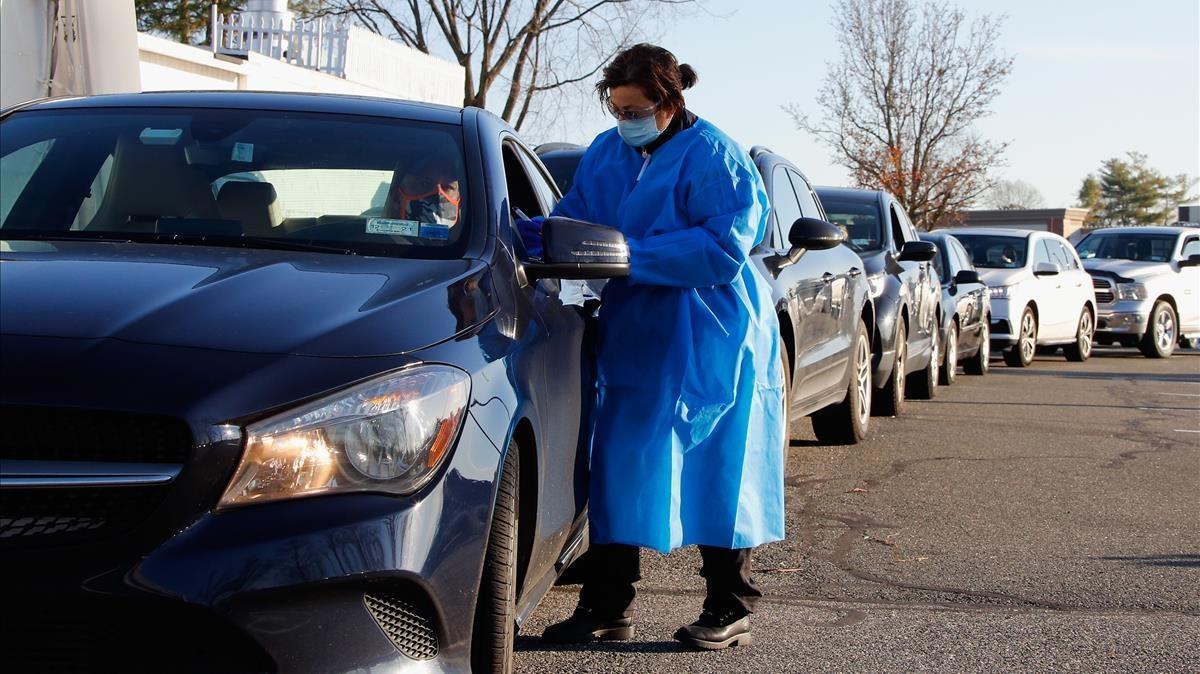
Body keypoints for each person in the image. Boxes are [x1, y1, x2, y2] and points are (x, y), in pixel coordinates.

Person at [520, 44, 785, 650]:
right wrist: (530, 235)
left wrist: (627, 256)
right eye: (617, 108)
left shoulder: (716, 156)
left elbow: (723, 247)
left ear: (669, 102)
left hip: (713, 326)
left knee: (721, 460)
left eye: (635, 108)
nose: (625, 120)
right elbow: (575, 219)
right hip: (638, 328)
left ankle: (729, 603)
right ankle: (606, 605)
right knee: (621, 459)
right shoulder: (608, 153)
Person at [381, 154, 461, 225]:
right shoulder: (377, 240)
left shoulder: (468, 239)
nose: (437, 194)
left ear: (460, 201)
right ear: (396, 197)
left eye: (447, 187)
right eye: (424, 184)